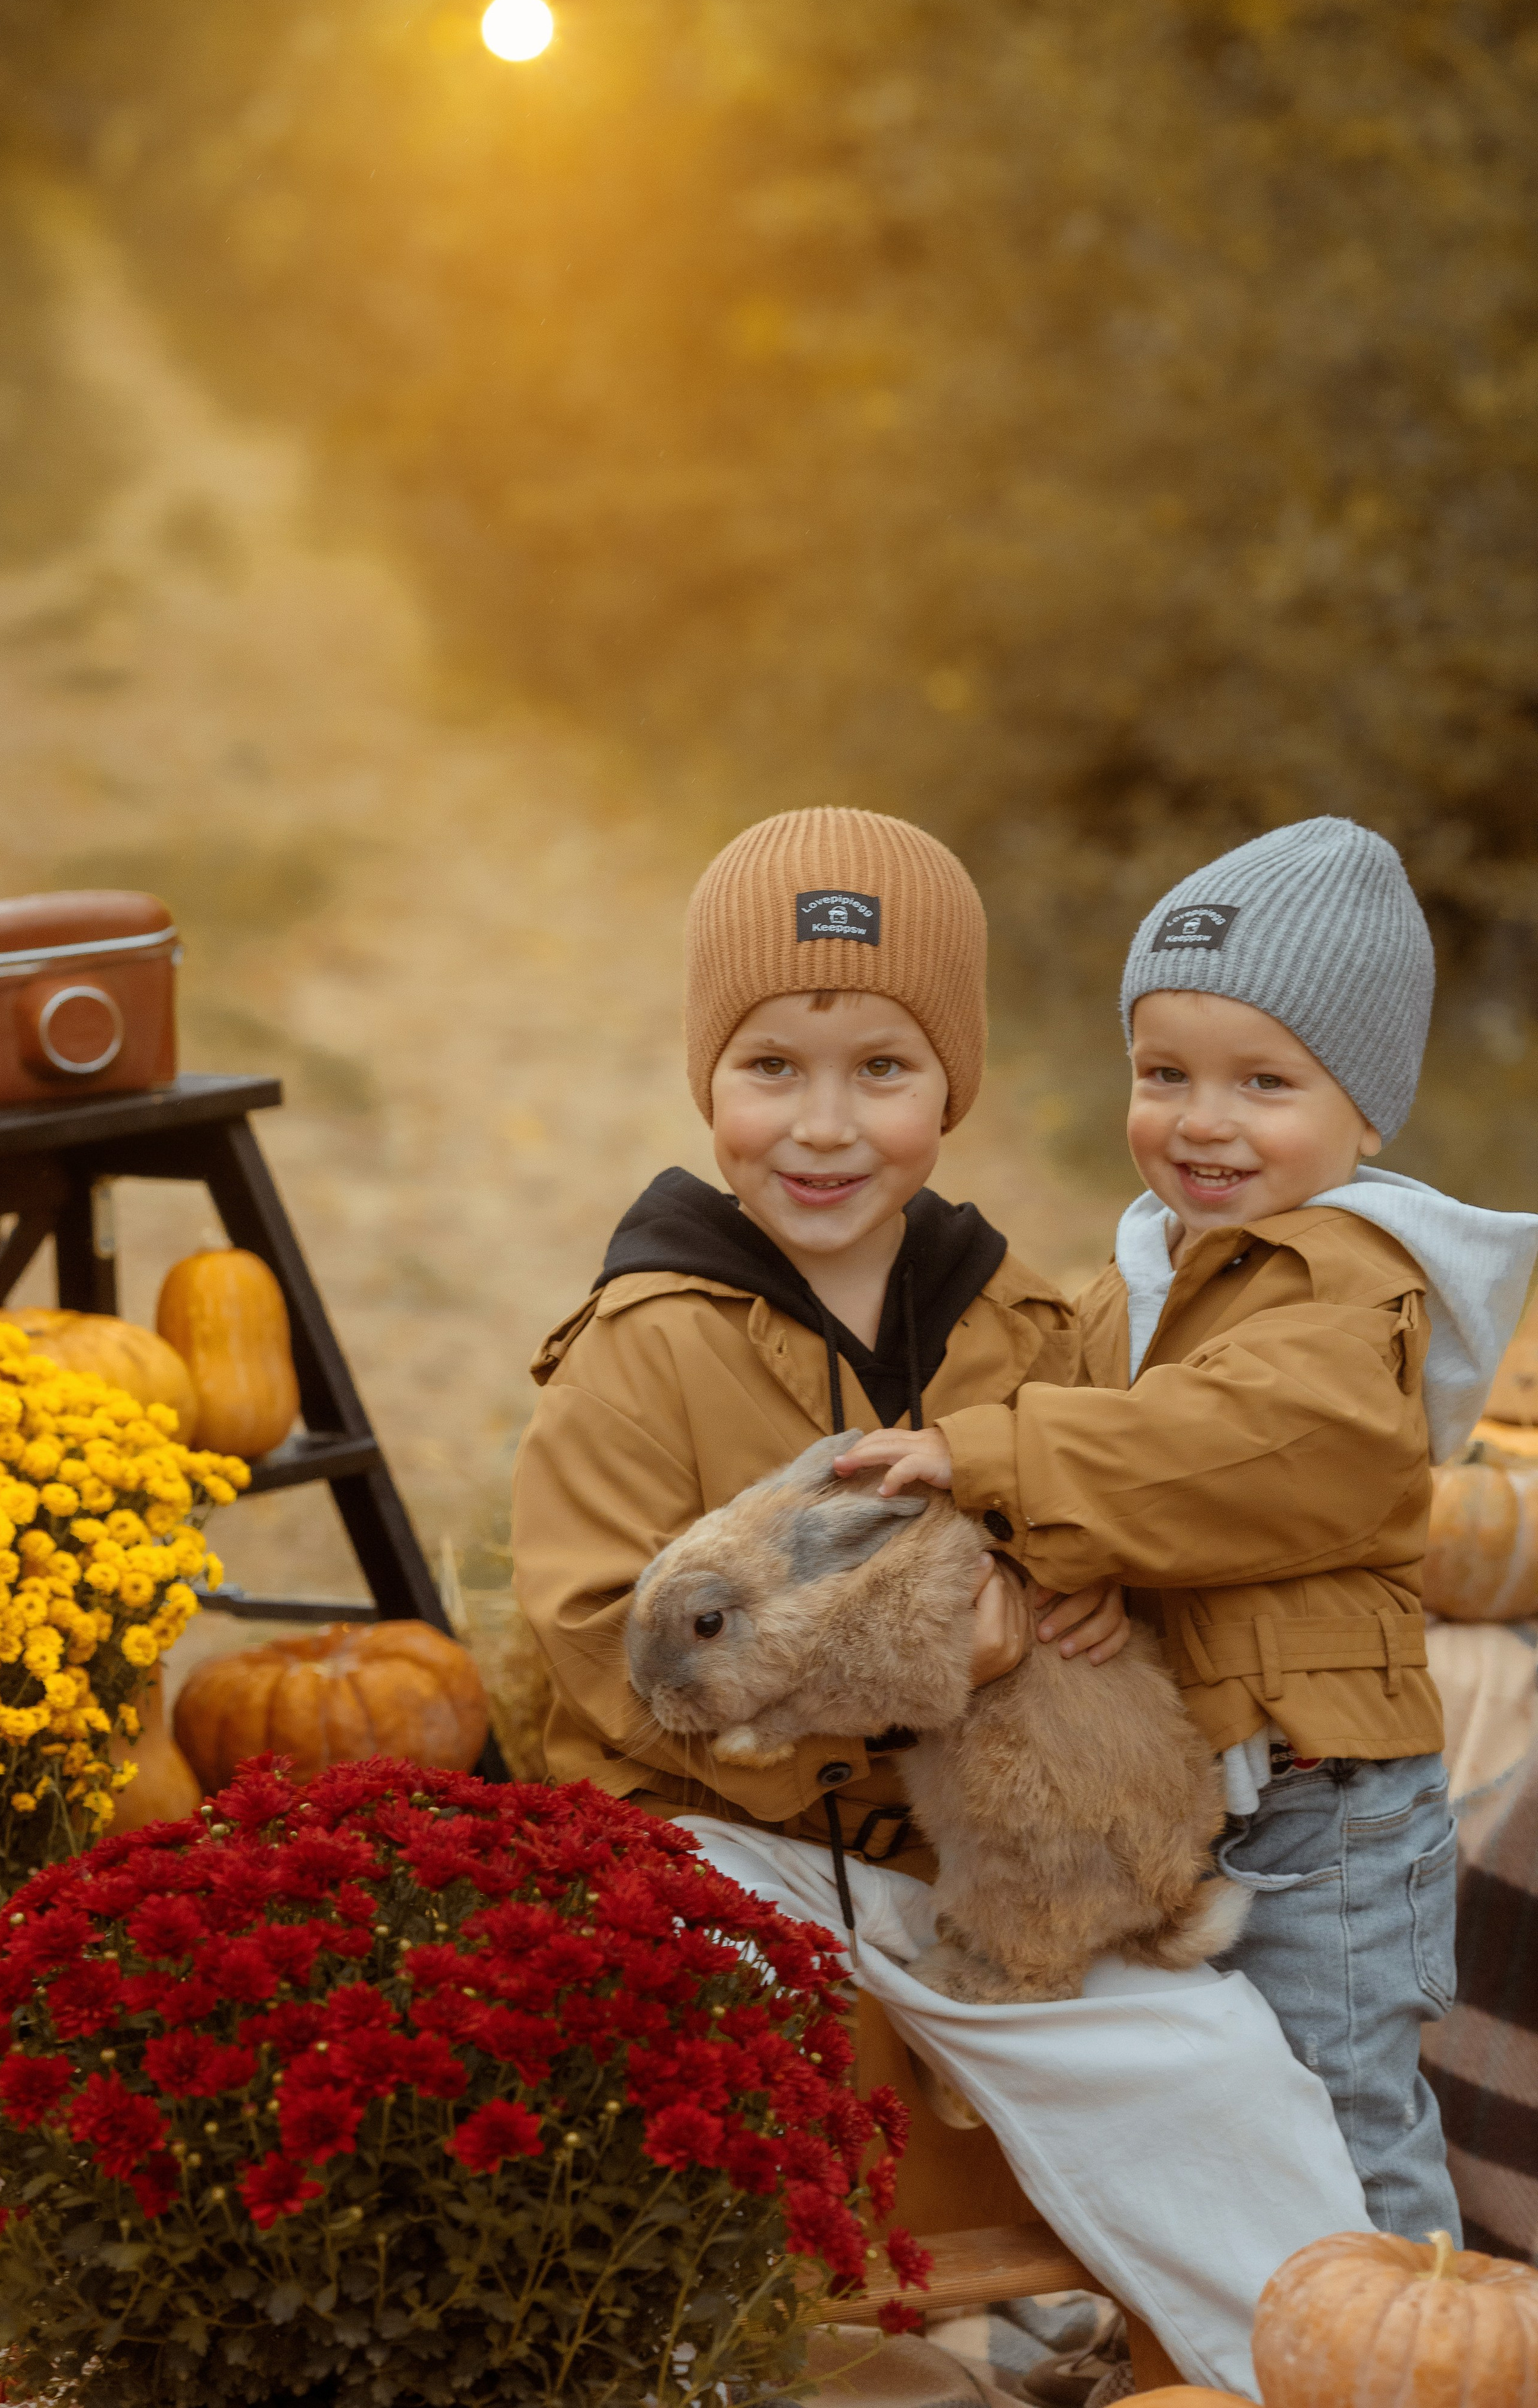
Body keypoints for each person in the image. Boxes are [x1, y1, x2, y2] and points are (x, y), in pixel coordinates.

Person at [513, 805, 1375, 2397]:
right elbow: (598, 1644)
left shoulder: (1017, 1320)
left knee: (1203, 2062)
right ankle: (731, 2357)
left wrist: (1086, 1604)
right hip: (727, 1831)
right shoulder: (643, 1342)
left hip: (974, 1851)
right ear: (707, 1077)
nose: (823, 1127)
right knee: (717, 2061)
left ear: (951, 1085)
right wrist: (907, 1676)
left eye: (882, 1072)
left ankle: (1308, 2364)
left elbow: (1086, 1522)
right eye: (771, 1068)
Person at [840, 814, 1538, 2252]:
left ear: (1365, 1114)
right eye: (1163, 1075)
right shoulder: (1145, 1274)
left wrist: (989, 1461)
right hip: (1204, 1788)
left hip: (1326, 1804)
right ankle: (1195, 2328)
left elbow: (1227, 1445)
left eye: (1261, 1083)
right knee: (1200, 2107)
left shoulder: (1354, 1294)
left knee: (1337, 2107)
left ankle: (1409, 2343)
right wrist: (1048, 1560)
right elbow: (1087, 1439)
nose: (1200, 1120)